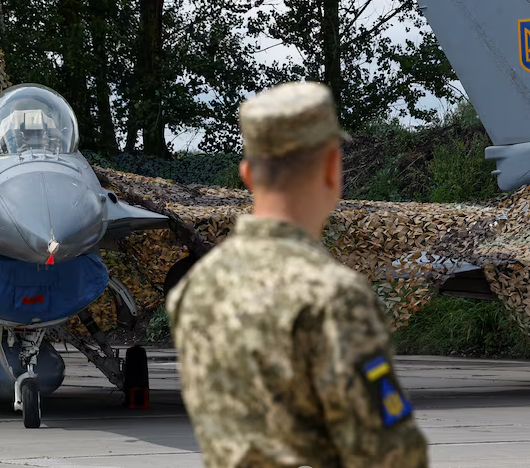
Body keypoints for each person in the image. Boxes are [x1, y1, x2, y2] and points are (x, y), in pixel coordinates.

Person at [166, 81, 428, 468]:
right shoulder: (332, 296)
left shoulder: (195, 287)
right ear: (332, 169)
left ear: (247, 174)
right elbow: (389, 456)